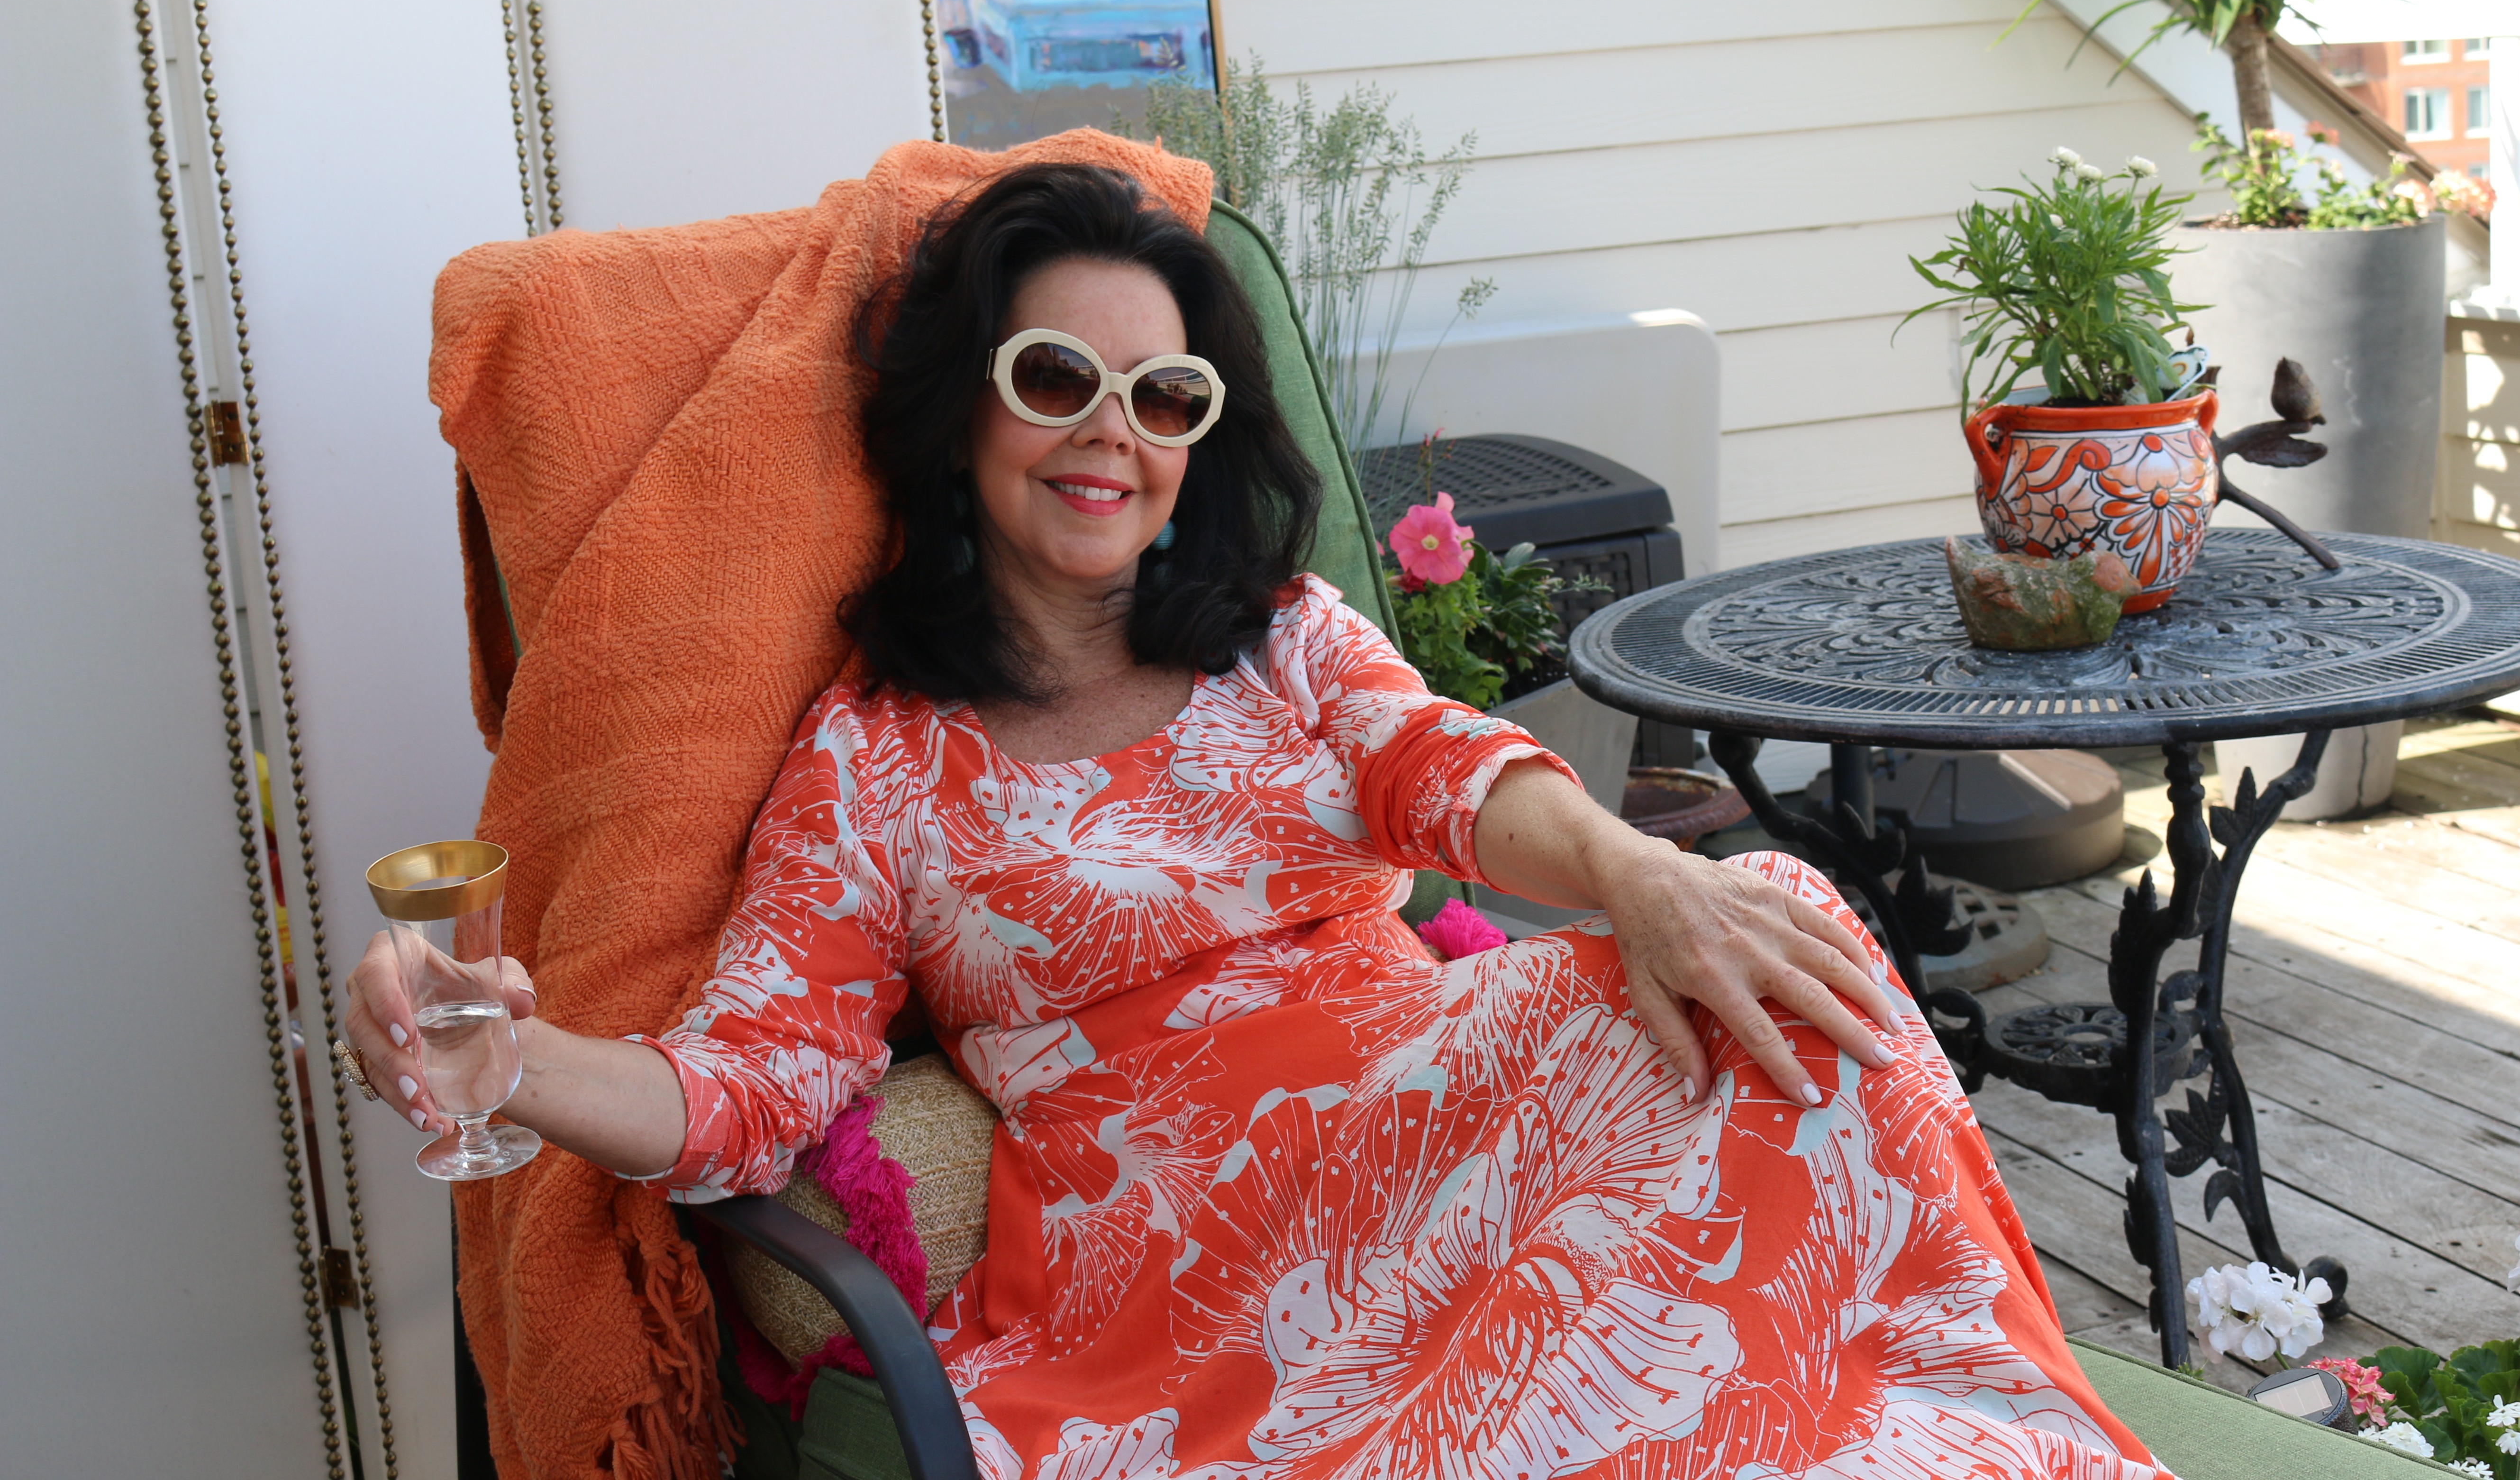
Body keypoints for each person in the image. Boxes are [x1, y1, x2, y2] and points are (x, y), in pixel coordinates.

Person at [349, 163, 2162, 1477]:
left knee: (1771, 913)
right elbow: (748, 1086)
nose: (1111, 435)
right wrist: (514, 1063)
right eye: (1055, 379)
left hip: (1441, 1096)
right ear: (960, 419)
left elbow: (1454, 774)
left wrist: (1639, 879)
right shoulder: (878, 755)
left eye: (1165, 398)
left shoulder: (1279, 645)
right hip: (1195, 1245)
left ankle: (1968, 1438)